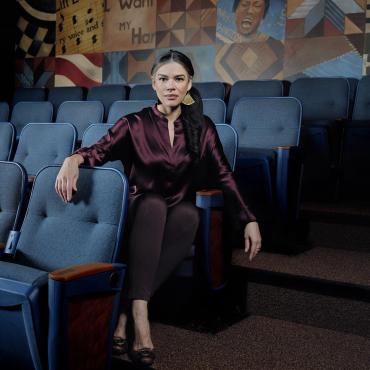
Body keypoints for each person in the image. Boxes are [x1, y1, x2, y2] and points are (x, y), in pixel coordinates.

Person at [55, 49, 262, 368]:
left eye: (179, 79)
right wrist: (73, 160)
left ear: (189, 83)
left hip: (177, 210)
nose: (171, 85)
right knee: (152, 204)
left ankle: (124, 308)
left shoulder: (203, 126)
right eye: (164, 79)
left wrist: (248, 218)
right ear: (153, 84)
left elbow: (224, 174)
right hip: (140, 209)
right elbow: (99, 150)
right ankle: (141, 315)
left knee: (191, 215)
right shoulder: (133, 124)